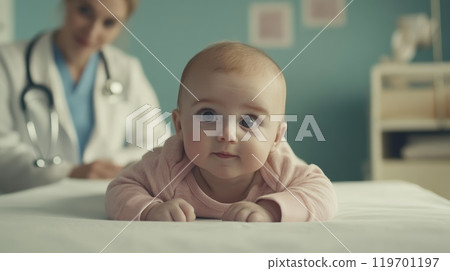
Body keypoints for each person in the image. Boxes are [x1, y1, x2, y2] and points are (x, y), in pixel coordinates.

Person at [105, 42, 337, 222]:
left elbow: (323, 195)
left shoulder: (277, 167)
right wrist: (151, 210)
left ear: (276, 138)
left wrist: (271, 211)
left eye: (248, 121)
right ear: (180, 127)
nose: (227, 134)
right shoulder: (169, 164)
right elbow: (120, 188)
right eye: (208, 115)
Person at [0, 0, 165, 193]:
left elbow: (156, 144)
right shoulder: (8, 62)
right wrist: (68, 172)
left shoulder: (127, 70)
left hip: (98, 200)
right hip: (24, 203)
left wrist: (110, 167)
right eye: (85, 11)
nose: (92, 32)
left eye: (109, 23)